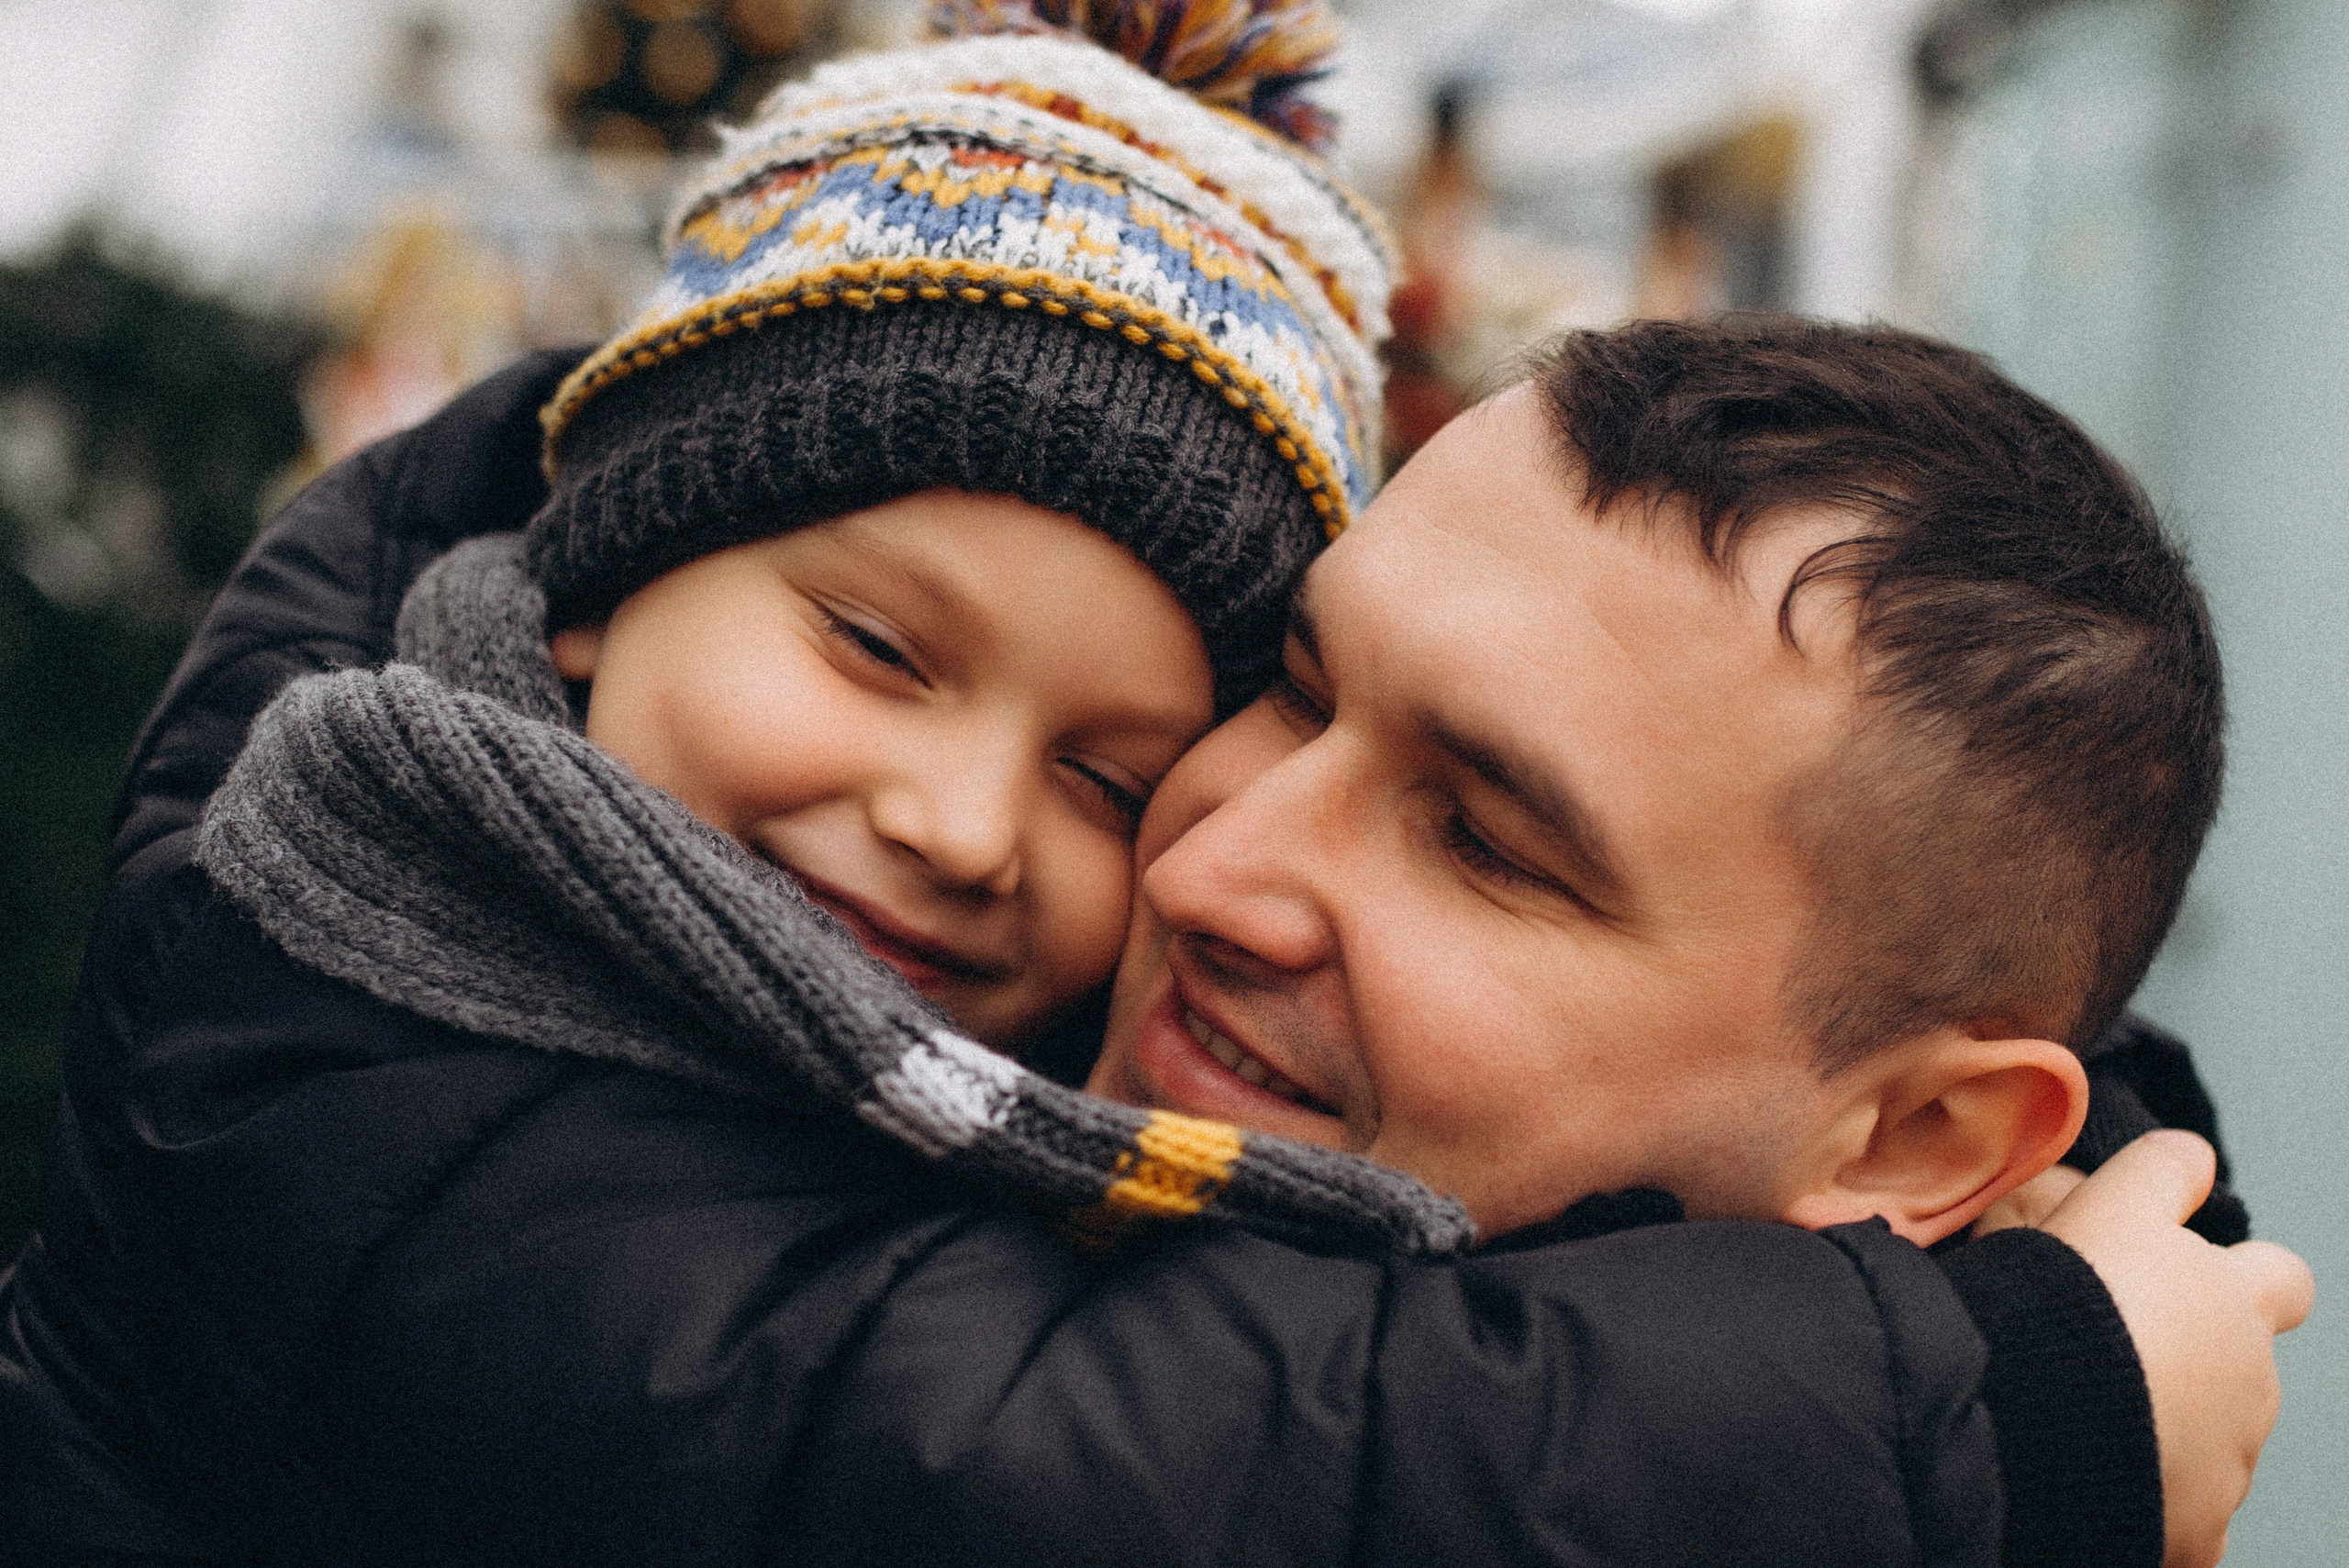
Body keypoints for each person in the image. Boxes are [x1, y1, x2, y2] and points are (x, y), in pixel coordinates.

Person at [0, 8, 2310, 1568]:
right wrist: (1989, 1414)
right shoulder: (410, 960)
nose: (1204, 858)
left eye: (1486, 839)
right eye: (1298, 693)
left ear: (1915, 1148)